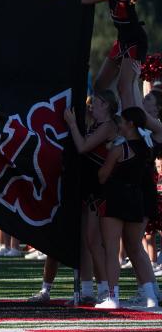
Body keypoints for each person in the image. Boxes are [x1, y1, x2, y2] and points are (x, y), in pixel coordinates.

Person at [95, 107, 159, 309]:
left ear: (130, 124)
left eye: (121, 121)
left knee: (112, 250)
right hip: (137, 200)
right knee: (135, 248)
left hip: (116, 198)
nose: (119, 125)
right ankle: (150, 295)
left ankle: (112, 297)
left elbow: (102, 176)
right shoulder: (147, 147)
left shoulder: (119, 149)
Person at [64, 91, 120, 302]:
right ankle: (88, 290)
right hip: (90, 188)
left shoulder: (108, 126)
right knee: (87, 242)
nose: (91, 106)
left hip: (101, 190)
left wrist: (71, 124)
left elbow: (83, 147)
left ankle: (105, 289)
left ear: (106, 105)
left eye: (95, 102)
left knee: (94, 242)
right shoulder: (96, 124)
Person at [82, 0, 145, 110]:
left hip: (135, 41)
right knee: (99, 87)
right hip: (122, 40)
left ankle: (133, 128)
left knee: (123, 88)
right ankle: (111, 121)